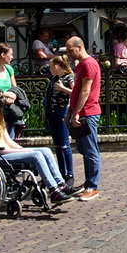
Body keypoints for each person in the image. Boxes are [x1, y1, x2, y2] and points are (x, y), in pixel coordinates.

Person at [0, 89, 78, 204]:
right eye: (3, 99)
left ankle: (61, 184)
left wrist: (21, 149)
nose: (5, 102)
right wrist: (21, 152)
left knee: (46, 150)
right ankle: (54, 190)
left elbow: (8, 141)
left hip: (7, 151)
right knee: (36, 155)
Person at [66, 36, 102, 201]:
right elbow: (76, 91)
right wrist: (71, 111)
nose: (69, 54)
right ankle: (88, 182)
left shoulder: (88, 64)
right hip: (81, 112)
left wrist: (77, 112)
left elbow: (85, 91)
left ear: (79, 47)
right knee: (84, 150)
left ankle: (93, 187)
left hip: (88, 113)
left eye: (70, 50)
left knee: (90, 150)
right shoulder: (80, 65)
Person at [45, 55, 76, 187]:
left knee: (64, 144)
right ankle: (61, 172)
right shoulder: (54, 79)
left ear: (57, 67)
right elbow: (49, 95)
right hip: (52, 112)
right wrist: (44, 110)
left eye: (51, 67)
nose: (50, 70)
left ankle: (70, 173)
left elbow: (75, 92)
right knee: (57, 145)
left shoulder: (69, 77)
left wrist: (62, 88)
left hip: (62, 111)